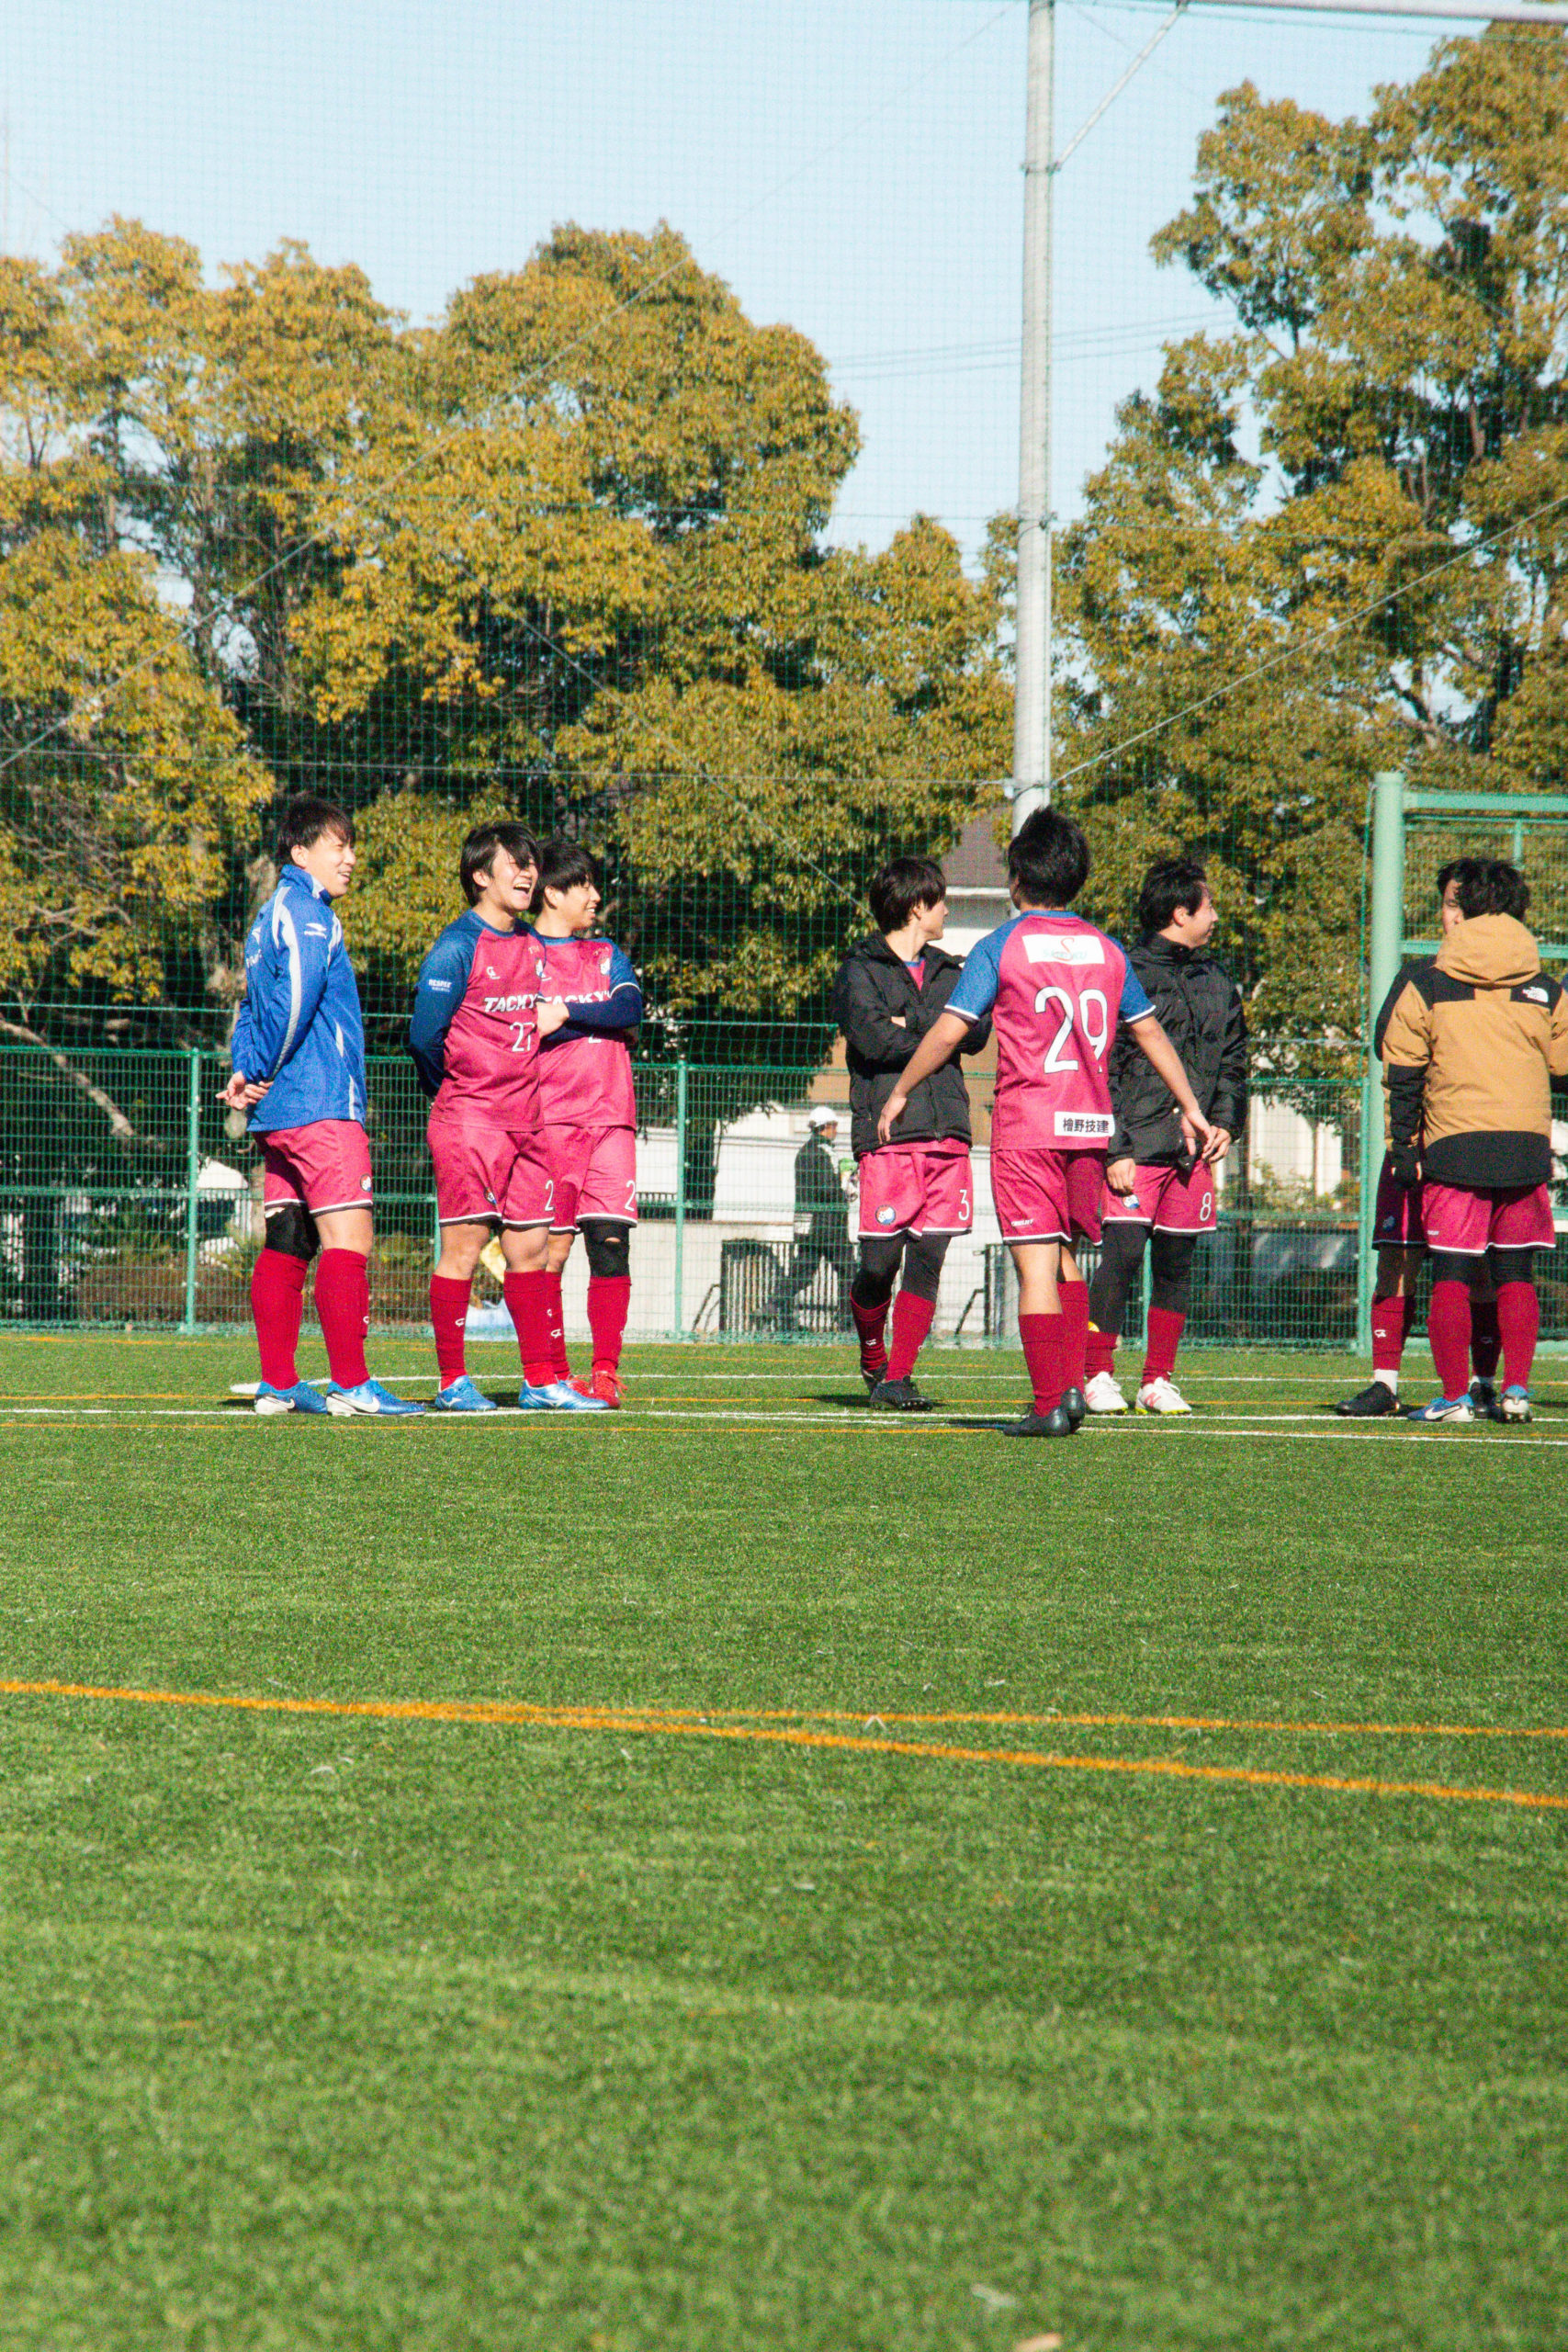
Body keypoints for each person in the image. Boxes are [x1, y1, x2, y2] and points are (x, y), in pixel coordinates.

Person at [879, 808, 1216, 1437]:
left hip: (1029, 1126)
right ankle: (1073, 1386)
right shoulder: (1108, 950)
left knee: (1034, 1266)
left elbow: (950, 1030)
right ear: (1077, 877)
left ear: (1016, 879)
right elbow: (1149, 1033)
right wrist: (1192, 1107)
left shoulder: (1001, 946)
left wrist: (901, 1089)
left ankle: (1047, 1405)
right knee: (1063, 1259)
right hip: (1089, 1132)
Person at [224, 796, 422, 1418]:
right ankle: (353, 1385)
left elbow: (250, 1008)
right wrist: (258, 1068)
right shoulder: (309, 915)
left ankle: (278, 1384)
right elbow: (298, 1001)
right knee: (349, 1239)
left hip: (278, 1113)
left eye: (351, 845)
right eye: (339, 846)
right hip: (320, 1103)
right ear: (301, 852)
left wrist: (245, 1070)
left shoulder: (266, 918)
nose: (350, 858)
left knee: (287, 1239)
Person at [408, 821, 607, 1413]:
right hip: (471, 1121)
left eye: (530, 863)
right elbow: (424, 1038)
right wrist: (459, 1094)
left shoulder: (530, 944)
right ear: (479, 876)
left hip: (529, 1121)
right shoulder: (456, 946)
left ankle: (540, 1380)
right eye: (514, 864)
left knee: (531, 1251)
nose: (527, 873)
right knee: (463, 1249)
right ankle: (452, 1382)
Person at [1383, 856, 1568, 1424]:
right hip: (1525, 1148)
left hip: (1453, 1146)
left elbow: (1403, 1068)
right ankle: (1515, 1392)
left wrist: (1403, 1145)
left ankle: (1453, 1398)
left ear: (1463, 907)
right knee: (1516, 1274)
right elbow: (1564, 1068)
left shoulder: (1426, 981)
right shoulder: (1546, 988)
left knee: (1453, 1275)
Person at [1335, 859, 1504, 1418]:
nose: (1453, 916)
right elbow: (1388, 1043)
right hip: (1416, 1142)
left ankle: (1483, 1382)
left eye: (1463, 906)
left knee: (1479, 1265)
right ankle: (1385, 1382)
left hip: (1476, 1143)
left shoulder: (1513, 983)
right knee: (1397, 1255)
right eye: (1449, 904)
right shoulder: (1418, 976)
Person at [1083, 856, 1247, 1415]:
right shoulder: (1123, 971)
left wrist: (1225, 1122)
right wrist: (1115, 1147)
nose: (1215, 916)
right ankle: (1096, 1373)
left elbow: (1233, 1060)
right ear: (1181, 913)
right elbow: (1102, 1065)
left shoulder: (1218, 980)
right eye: (1209, 906)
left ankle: (1157, 1380)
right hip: (1136, 1148)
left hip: (1192, 1153)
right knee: (1122, 1258)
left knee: (1177, 1264)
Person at [830, 855, 990, 1410]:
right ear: (918, 907)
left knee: (929, 1260)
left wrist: (915, 1026)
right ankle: (872, 1352)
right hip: (890, 1135)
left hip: (948, 1132)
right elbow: (873, 1039)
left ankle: (897, 1377)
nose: (947, 911)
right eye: (940, 901)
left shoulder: (951, 969)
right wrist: (941, 1030)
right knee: (879, 1265)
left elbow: (976, 1032)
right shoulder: (859, 970)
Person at [527, 839, 644, 1408]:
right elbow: (523, 1028)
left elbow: (629, 1009)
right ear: (553, 893)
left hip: (612, 1120)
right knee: (550, 1251)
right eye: (584, 886)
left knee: (611, 1243)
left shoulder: (605, 952)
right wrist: (593, 1022)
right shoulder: (521, 953)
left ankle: (605, 1370)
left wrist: (566, 1013)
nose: (596, 896)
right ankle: (553, 1371)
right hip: (550, 1121)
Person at [771, 1106, 855, 1332]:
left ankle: (774, 1304)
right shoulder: (824, 1153)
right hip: (830, 1226)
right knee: (849, 1271)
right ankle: (846, 1321)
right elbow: (827, 1189)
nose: (836, 1130)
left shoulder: (804, 1152)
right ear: (826, 1127)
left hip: (808, 1225)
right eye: (834, 1126)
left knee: (803, 1273)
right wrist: (846, 1183)